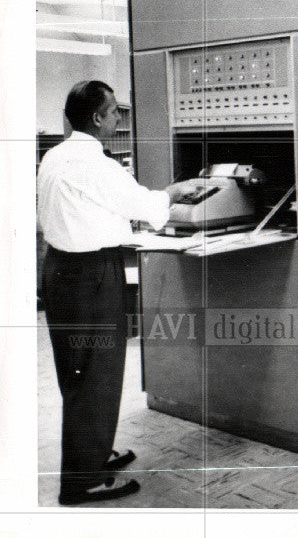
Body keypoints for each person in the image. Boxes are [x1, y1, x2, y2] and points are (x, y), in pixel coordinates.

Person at [37, 81, 197, 505]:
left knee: (77, 370)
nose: (118, 118)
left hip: (60, 270)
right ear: (96, 118)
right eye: (113, 112)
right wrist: (173, 193)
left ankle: (90, 456)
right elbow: (141, 206)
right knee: (97, 372)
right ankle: (81, 482)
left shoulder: (55, 154)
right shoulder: (94, 163)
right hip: (90, 274)